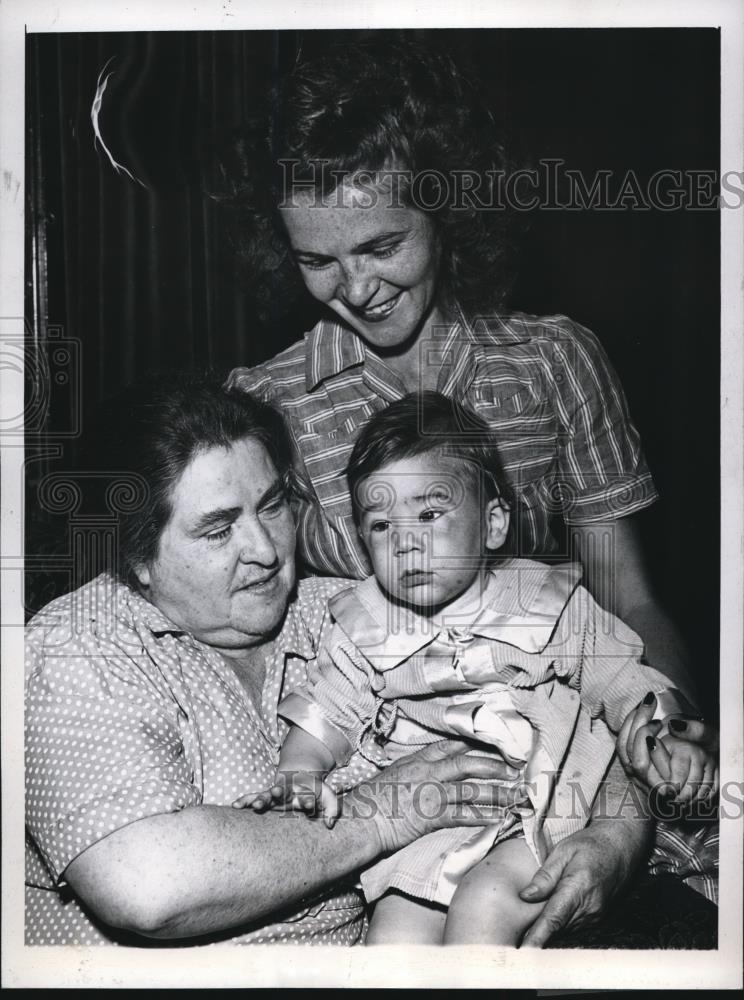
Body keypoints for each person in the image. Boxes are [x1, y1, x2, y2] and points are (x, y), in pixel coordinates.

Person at [220, 37, 718, 938]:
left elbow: (629, 602)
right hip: (379, 789)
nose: (356, 287)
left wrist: (659, 756)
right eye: (317, 261)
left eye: (382, 244)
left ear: (444, 205)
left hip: (568, 761)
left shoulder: (555, 362)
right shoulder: (264, 405)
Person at [24, 375, 520, 946]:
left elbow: (559, 686)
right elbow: (145, 887)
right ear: (138, 555)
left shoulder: (345, 612)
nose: (264, 550)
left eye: (272, 506)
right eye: (218, 530)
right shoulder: (79, 646)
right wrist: (384, 813)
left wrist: (607, 843)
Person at [235, 393, 717, 945]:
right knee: (392, 940)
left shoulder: (545, 601)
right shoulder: (365, 624)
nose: (407, 542)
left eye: (430, 514)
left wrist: (662, 730)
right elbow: (327, 711)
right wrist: (300, 771)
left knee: (483, 908)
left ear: (491, 524)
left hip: (543, 803)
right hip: (428, 821)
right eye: (381, 526)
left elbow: (626, 680)